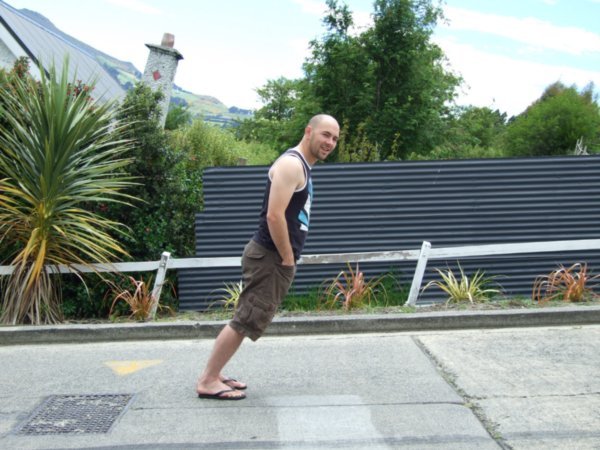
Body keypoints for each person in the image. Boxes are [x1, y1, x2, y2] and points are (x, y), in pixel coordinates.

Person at [196, 114, 340, 400]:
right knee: (245, 320)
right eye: (325, 135)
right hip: (270, 256)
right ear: (308, 130)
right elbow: (274, 216)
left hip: (271, 257)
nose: (330, 142)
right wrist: (287, 258)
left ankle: (215, 373)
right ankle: (209, 380)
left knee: (245, 316)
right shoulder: (291, 164)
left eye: (335, 138)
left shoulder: (302, 166)